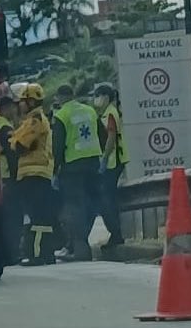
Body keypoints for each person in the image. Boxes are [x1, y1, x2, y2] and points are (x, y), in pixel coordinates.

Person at [52, 84, 102, 262]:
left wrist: (54, 170)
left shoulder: (61, 115)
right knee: (90, 206)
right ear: (72, 95)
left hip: (72, 167)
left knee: (75, 207)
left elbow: (57, 147)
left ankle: (79, 247)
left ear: (59, 97)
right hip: (93, 164)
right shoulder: (90, 111)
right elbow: (101, 135)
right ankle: (79, 244)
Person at [9, 83, 56, 266]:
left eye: (22, 101)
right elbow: (14, 140)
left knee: (38, 217)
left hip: (35, 174)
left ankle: (38, 255)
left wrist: (14, 142)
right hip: (34, 175)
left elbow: (19, 146)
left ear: (29, 101)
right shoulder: (29, 120)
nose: (19, 105)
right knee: (40, 216)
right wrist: (14, 140)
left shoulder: (35, 120)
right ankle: (45, 253)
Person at [93, 82, 129, 249]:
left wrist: (104, 158)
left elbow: (111, 137)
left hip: (113, 161)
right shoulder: (108, 112)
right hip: (114, 160)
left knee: (106, 200)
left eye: (98, 96)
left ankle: (116, 234)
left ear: (106, 97)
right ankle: (115, 234)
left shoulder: (110, 113)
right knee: (107, 199)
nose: (96, 99)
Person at [0, 95, 22, 265]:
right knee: (13, 218)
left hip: (1, 176)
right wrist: (17, 176)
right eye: (12, 107)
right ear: (6, 108)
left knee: (5, 218)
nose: (15, 110)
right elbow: (12, 154)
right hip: (7, 176)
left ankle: (7, 253)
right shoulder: (5, 126)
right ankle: (12, 254)